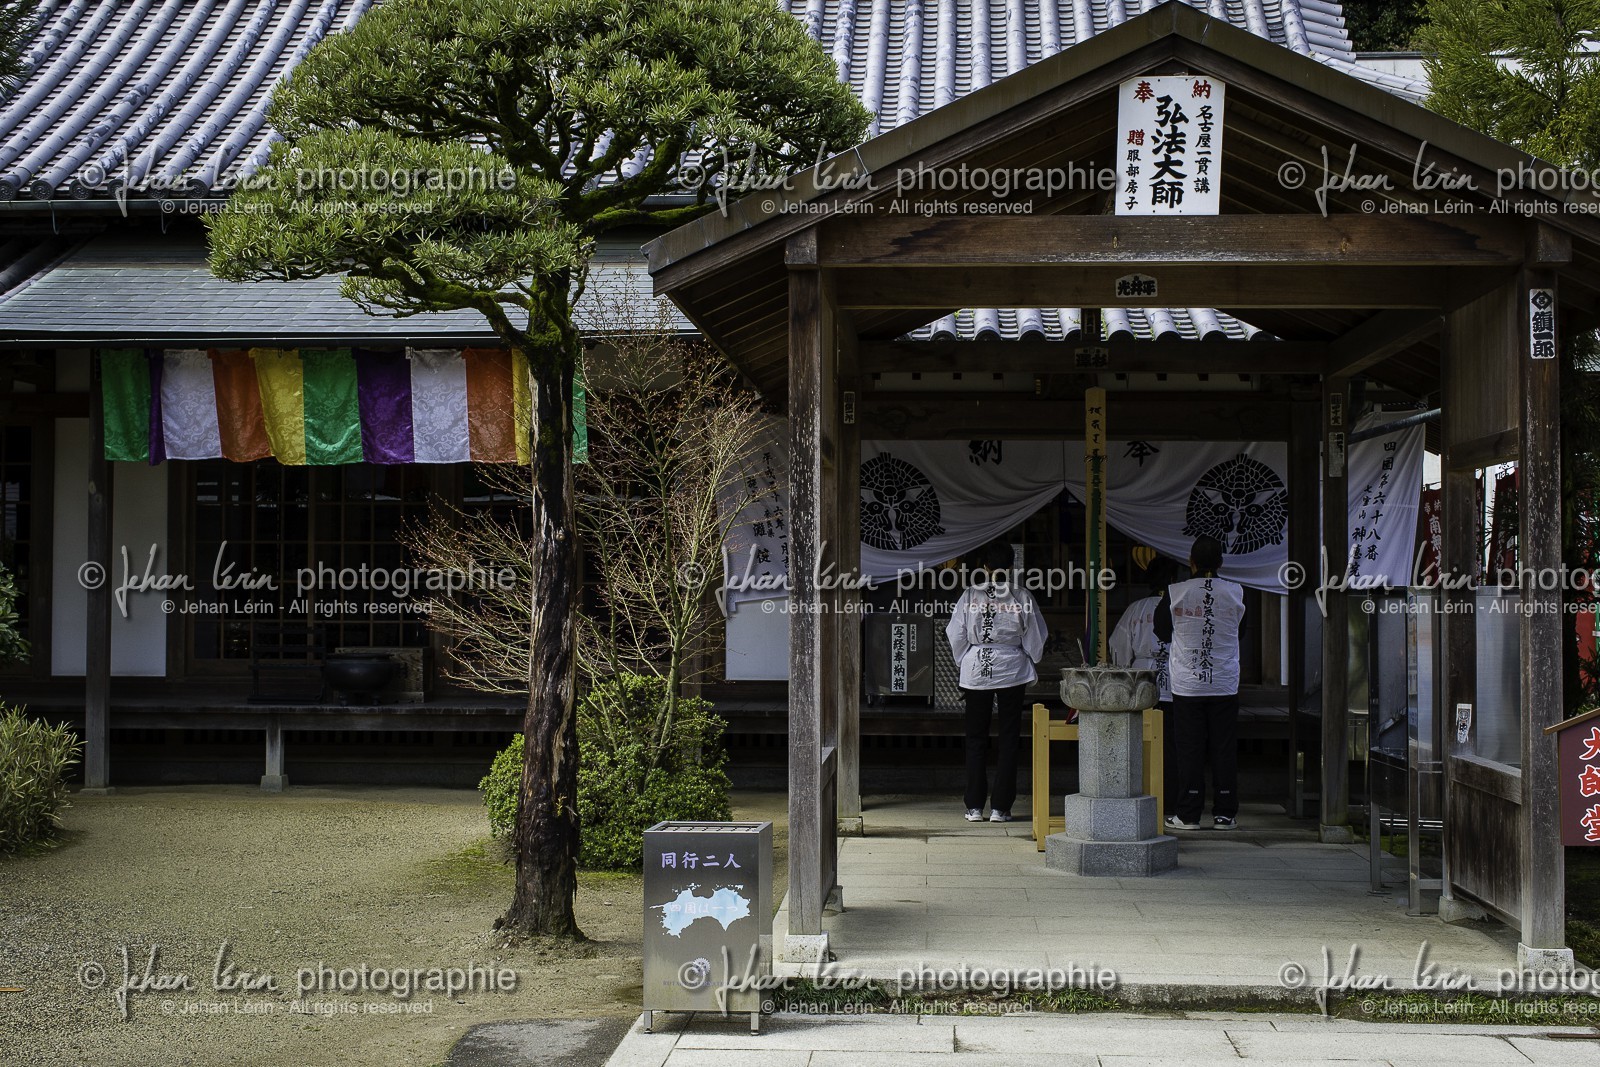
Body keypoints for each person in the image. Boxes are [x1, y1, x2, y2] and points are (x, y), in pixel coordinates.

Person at [946, 540, 1047, 824]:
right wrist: (1029, 656)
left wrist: (965, 659)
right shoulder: (1021, 595)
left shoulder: (970, 594)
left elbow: (956, 633)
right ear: (1011, 567)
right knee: (1009, 737)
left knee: (975, 738)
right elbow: (1036, 637)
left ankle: (974, 806)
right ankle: (1000, 808)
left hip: (977, 668)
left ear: (984, 566)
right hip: (1011, 668)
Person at [1154, 536, 1246, 831]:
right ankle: (1225, 813)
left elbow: (1161, 630)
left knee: (1189, 748)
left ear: (1191, 562)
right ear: (1220, 563)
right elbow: (1240, 631)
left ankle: (1189, 813)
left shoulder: (1176, 592)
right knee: (1223, 747)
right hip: (1224, 681)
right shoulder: (1235, 592)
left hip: (1188, 683)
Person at [1109, 555, 1177, 810]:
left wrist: (1124, 671)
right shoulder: (1179, 604)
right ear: (1174, 579)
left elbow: (1118, 645)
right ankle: (1170, 798)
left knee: (1141, 737)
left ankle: (1143, 791)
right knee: (1172, 741)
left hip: (1142, 676)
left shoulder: (1137, 608)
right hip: (1176, 675)